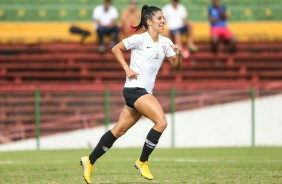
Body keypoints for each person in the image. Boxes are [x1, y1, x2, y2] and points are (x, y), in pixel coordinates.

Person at [80, 5, 182, 184]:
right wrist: (127, 68)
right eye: (159, 18)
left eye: (163, 18)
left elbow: (176, 65)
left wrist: (179, 55)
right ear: (149, 21)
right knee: (161, 122)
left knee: (118, 130)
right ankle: (142, 161)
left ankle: (89, 160)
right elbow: (115, 49)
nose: (163, 21)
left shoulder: (166, 42)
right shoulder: (139, 39)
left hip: (142, 92)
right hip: (135, 89)